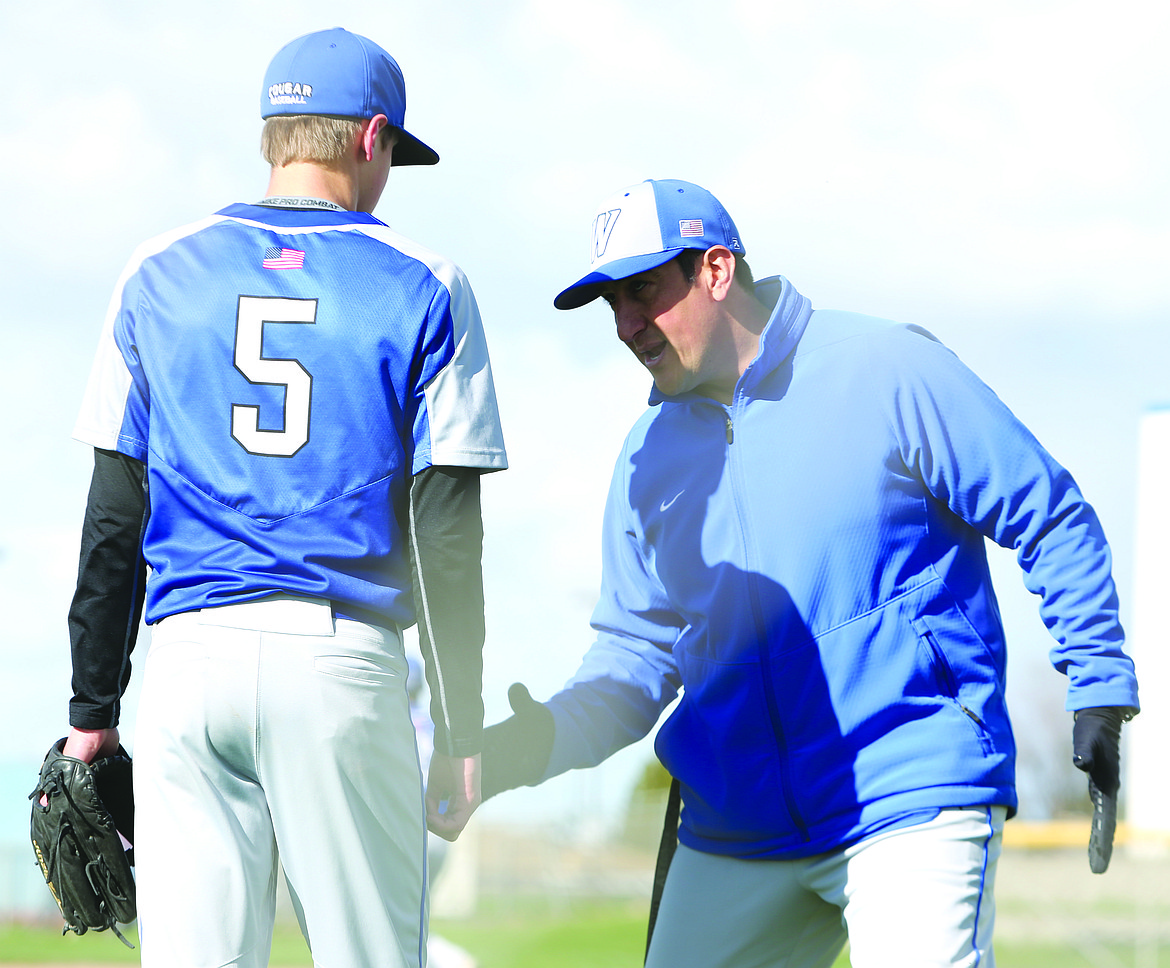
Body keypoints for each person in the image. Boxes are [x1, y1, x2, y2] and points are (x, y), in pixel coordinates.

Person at [481, 178, 1139, 968]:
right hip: (735, 828)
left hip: (906, 789)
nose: (626, 327)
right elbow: (636, 655)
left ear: (717, 270)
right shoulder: (645, 460)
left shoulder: (886, 368)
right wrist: (537, 742)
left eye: (643, 293)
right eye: (610, 305)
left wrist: (1098, 683)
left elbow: (1050, 512)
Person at [59, 27, 506, 968]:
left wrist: (93, 708)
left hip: (186, 665)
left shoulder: (156, 271)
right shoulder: (425, 282)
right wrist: (460, 727)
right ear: (372, 137)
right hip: (336, 664)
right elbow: (447, 535)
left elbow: (114, 517)